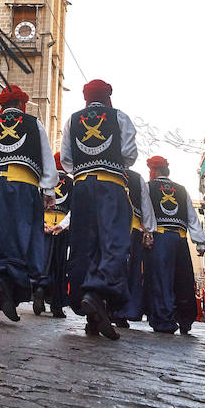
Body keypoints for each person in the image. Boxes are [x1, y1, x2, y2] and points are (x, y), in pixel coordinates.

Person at [0, 85, 58, 323]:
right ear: (21, 105)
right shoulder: (33, 123)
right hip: (22, 186)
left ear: (2, 105)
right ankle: (3, 280)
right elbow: (47, 157)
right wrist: (48, 189)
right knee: (17, 238)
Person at [61, 79, 138, 340]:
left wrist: (85, 169)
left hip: (81, 187)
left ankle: (92, 316)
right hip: (111, 186)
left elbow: (67, 160)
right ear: (108, 97)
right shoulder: (120, 117)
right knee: (113, 244)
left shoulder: (72, 120)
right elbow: (129, 155)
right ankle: (96, 295)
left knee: (84, 247)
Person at [145, 155, 205, 335]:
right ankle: (185, 320)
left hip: (160, 238)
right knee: (183, 280)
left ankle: (164, 321)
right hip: (181, 239)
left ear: (154, 171)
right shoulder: (181, 190)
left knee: (161, 280)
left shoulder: (148, 187)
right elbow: (192, 217)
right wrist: (200, 243)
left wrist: (147, 232)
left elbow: (146, 212)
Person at [112, 166, 156, 328]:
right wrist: (149, 231)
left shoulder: (110, 170)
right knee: (131, 273)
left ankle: (108, 308)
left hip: (111, 227)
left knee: (112, 268)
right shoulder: (138, 178)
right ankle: (124, 312)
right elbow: (146, 207)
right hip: (134, 230)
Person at [33, 154, 73, 319]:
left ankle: (39, 289)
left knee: (42, 263)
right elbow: (74, 207)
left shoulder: (44, 181)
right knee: (59, 267)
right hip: (61, 228)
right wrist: (62, 226)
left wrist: (41, 224)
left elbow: (34, 203)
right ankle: (56, 306)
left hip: (43, 227)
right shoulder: (71, 183)